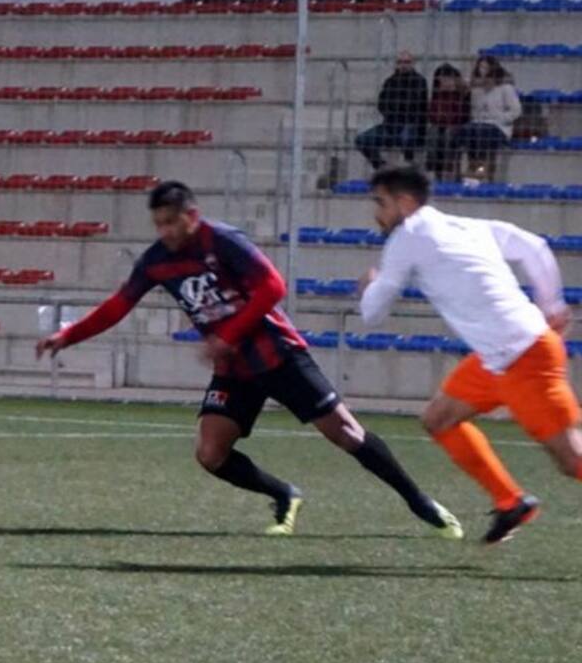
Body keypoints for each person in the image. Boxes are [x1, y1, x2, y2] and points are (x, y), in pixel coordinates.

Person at [36, 181, 462, 538]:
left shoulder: (223, 241)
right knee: (210, 453)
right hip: (235, 369)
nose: (164, 231)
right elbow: (119, 304)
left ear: (191, 215)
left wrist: (228, 334)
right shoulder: (157, 261)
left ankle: (419, 501)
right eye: (158, 224)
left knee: (347, 434)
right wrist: (69, 335)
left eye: (170, 221)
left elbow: (273, 287)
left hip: (277, 354)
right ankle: (284, 494)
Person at [359, 165, 582, 544]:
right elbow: (533, 247)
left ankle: (511, 500)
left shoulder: (406, 237)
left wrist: (371, 285)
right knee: (439, 418)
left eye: (380, 203)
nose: (376, 213)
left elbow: (372, 313)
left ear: (405, 202)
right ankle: (511, 502)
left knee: (571, 459)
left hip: (524, 358)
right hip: (501, 356)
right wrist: (552, 304)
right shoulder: (468, 226)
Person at [452, 55, 521, 184]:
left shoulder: (506, 88)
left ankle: (481, 167)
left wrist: (499, 118)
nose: (483, 70)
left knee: (483, 132)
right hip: (478, 123)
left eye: (486, 67)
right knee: (466, 130)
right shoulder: (476, 90)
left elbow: (516, 111)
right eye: (481, 67)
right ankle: (471, 166)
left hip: (499, 126)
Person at [354, 51, 428, 172]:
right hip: (390, 125)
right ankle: (381, 166)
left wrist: (396, 107)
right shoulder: (390, 81)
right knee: (362, 139)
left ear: (413, 64)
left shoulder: (419, 81)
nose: (403, 65)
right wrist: (397, 108)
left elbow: (416, 105)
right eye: (400, 62)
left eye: (407, 62)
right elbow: (382, 104)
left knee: (407, 138)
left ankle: (408, 167)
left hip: (410, 125)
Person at [425, 63, 470, 181]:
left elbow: (463, 115)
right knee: (433, 133)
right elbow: (432, 114)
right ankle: (433, 168)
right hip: (440, 125)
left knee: (448, 134)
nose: (445, 81)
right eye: (442, 79)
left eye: (448, 78)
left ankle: (447, 169)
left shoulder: (462, 95)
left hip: (457, 126)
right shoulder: (437, 96)